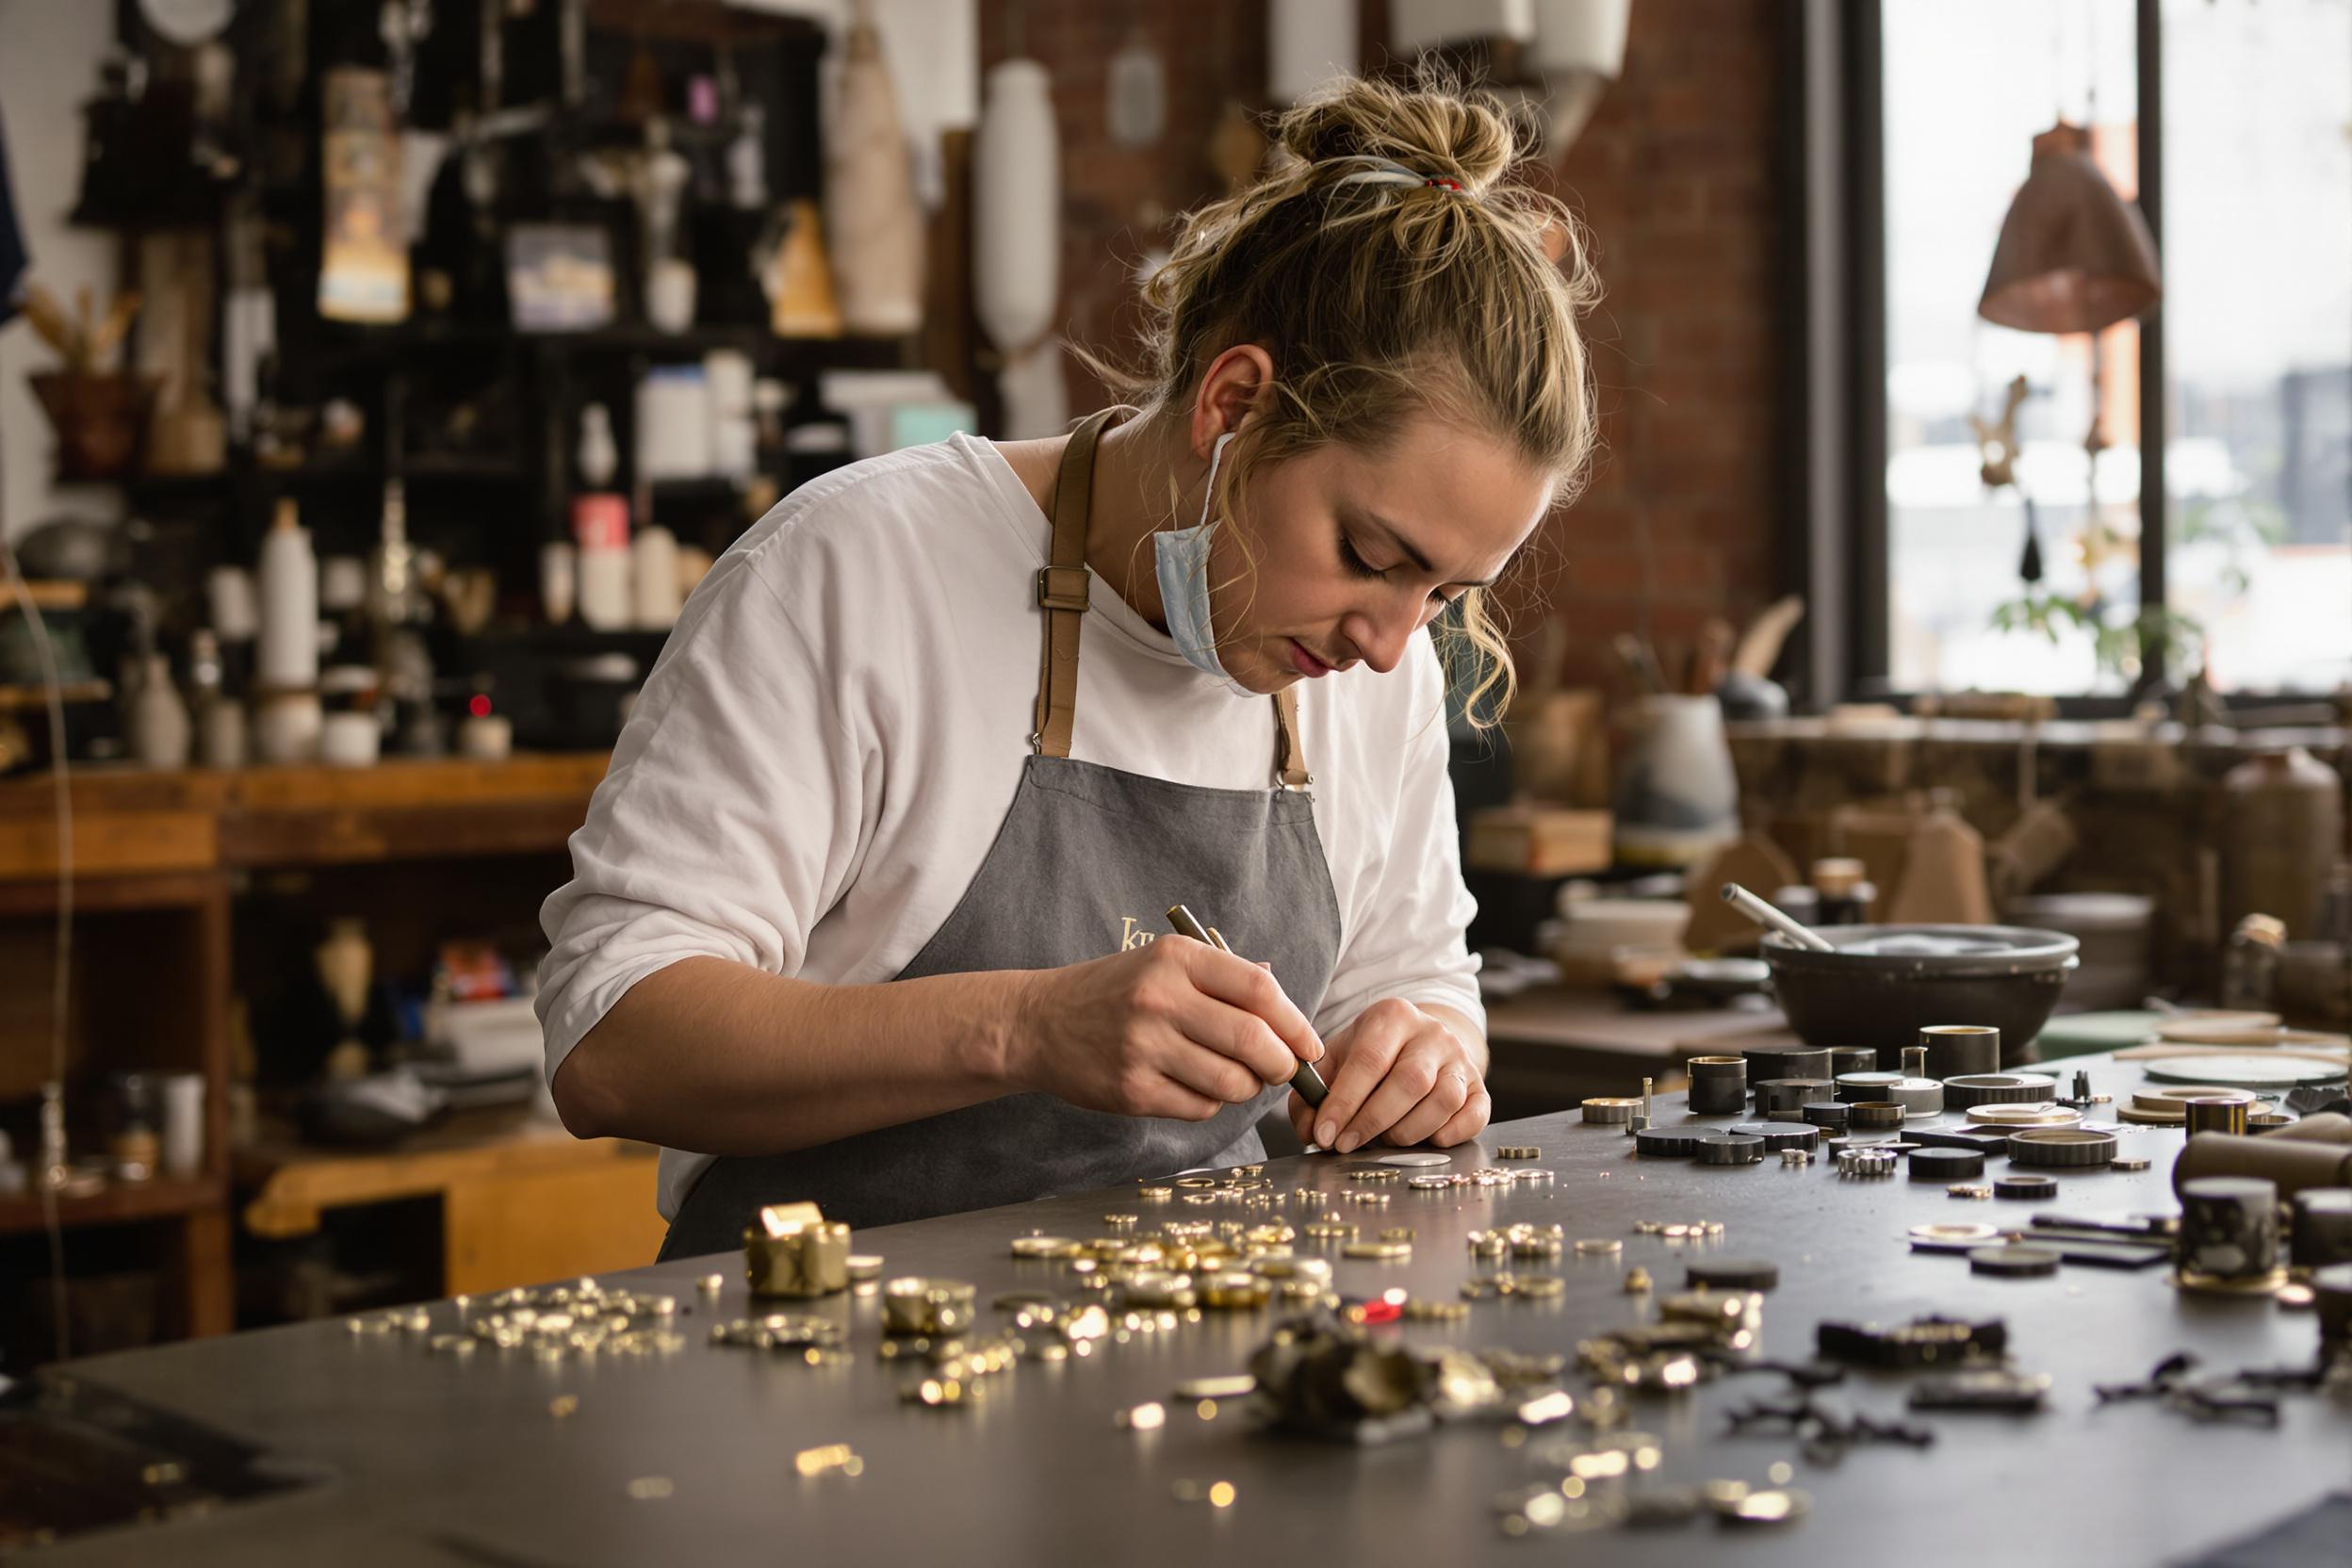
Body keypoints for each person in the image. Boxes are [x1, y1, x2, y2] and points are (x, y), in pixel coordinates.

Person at [536, 74, 1599, 1257]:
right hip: (816, 1375)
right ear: (1233, 403)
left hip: (1193, 1366)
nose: (1393, 643)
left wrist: (1432, 1055)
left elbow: (1415, 981)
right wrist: (1027, 1026)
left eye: (1445, 595)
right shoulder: (857, 569)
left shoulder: (1373, 666)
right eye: (1367, 554)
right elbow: (611, 1042)